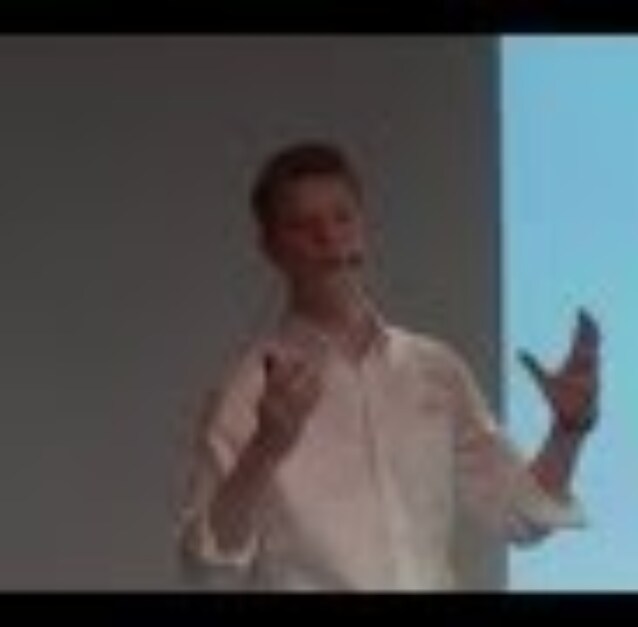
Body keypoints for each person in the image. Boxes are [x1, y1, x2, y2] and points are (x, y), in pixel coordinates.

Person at [176, 141, 602, 591]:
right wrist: (265, 448)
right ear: (271, 247)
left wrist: (568, 430)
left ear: (362, 229)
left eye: (342, 217)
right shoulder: (249, 391)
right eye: (303, 225)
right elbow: (210, 571)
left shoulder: (434, 369)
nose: (328, 238)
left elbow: (520, 516)